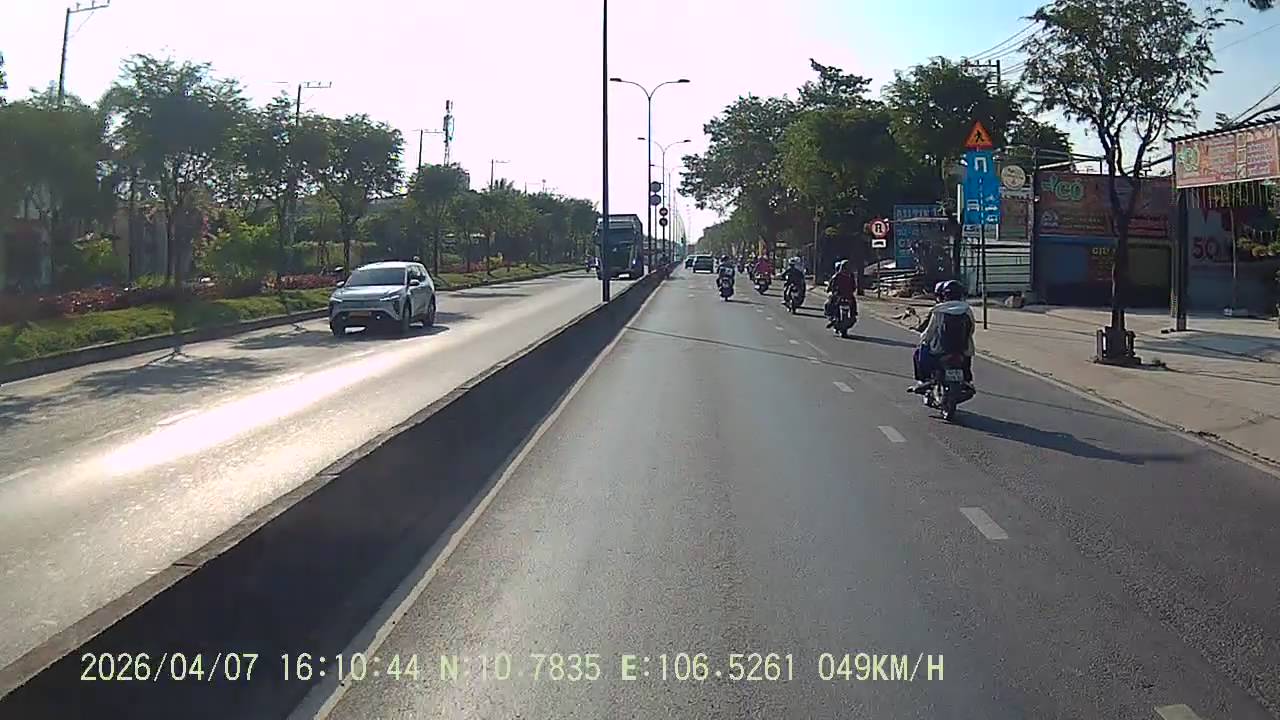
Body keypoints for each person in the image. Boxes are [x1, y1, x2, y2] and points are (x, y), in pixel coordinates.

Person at [910, 280, 976, 393]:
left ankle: (923, 380)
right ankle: (967, 380)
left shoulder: (939, 310)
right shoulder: (967, 309)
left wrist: (923, 339)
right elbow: (971, 328)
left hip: (940, 349)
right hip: (962, 348)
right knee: (966, 357)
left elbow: (930, 331)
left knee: (919, 352)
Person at [824, 260, 857, 326]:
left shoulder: (838, 276)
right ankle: (833, 317)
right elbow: (854, 287)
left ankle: (832, 316)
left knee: (829, 303)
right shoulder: (848, 275)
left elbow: (854, 286)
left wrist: (829, 289)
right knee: (829, 303)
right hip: (843, 295)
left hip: (840, 295)